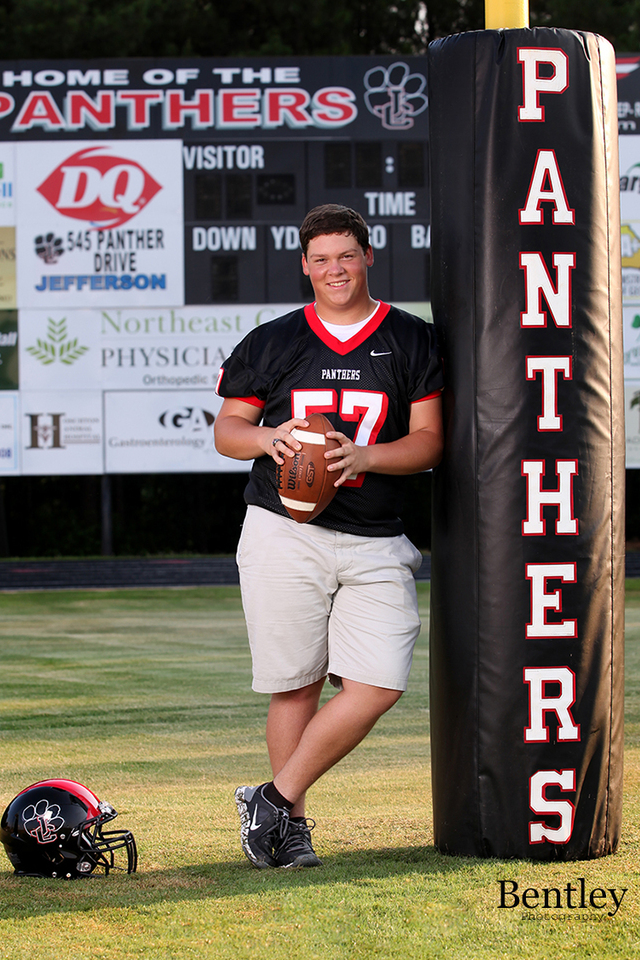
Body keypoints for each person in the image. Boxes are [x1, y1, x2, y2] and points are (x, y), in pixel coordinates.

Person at [214, 204, 443, 869]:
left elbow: (431, 441)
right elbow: (227, 432)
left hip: (376, 536)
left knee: (379, 681)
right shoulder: (275, 340)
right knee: (297, 684)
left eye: (346, 256)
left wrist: (366, 457)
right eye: (321, 259)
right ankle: (290, 832)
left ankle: (273, 798)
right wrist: (269, 437)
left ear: (368, 257)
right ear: (305, 265)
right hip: (284, 532)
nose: (334, 270)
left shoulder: (412, 338)